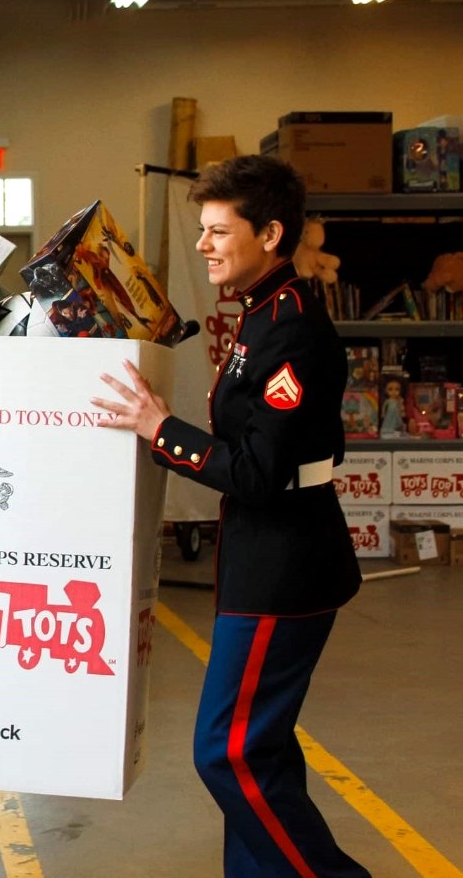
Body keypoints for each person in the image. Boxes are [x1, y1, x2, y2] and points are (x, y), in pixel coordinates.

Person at [93, 155, 366, 877]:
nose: (204, 244)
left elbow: (255, 471)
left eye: (219, 231)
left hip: (285, 565)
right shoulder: (258, 316)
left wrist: (161, 429)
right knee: (261, 744)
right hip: (263, 556)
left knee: (229, 751)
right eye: (203, 230)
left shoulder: (292, 332)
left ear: (270, 234)